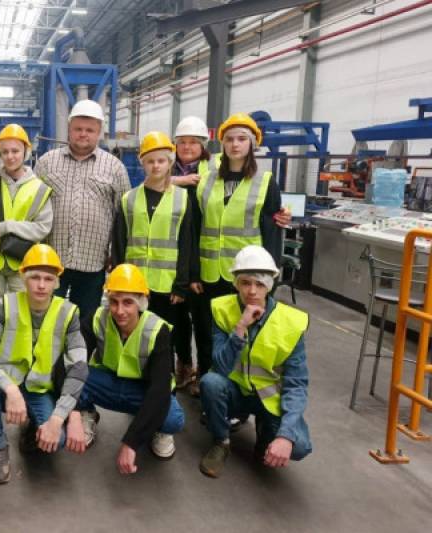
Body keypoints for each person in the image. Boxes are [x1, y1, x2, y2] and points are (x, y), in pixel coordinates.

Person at [0, 244, 87, 484]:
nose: (41, 285)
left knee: (56, 440)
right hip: (7, 384)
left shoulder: (68, 313)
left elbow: (78, 368)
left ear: (56, 282)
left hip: (39, 389)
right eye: (35, 277)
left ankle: (32, 429)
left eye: (48, 279)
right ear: (24, 278)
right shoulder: (7, 305)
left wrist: (60, 418)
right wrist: (11, 390)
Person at [192, 112, 288, 399]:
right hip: (209, 273)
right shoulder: (207, 180)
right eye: (230, 139)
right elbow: (195, 227)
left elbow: (272, 231)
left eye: (242, 139)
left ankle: (236, 393)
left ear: (252, 144)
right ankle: (208, 386)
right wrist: (193, 272)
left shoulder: (265, 181)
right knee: (207, 332)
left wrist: (269, 277)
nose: (235, 145)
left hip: (245, 277)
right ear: (222, 144)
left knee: (242, 334)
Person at [199, 245, 311, 478]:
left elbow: (297, 384)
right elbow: (220, 366)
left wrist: (285, 435)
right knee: (210, 382)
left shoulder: (290, 322)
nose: (252, 291)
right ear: (236, 284)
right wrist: (240, 327)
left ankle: (266, 429)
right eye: (245, 283)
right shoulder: (222, 309)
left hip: (268, 398)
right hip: (235, 392)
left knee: (298, 445)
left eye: (259, 284)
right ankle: (221, 441)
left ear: (269, 285)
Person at [79, 264, 185, 474]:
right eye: (114, 302)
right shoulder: (97, 318)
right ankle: (86, 412)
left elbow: (159, 390)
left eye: (127, 302)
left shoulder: (158, 330)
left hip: (142, 392)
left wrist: (131, 442)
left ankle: (157, 429)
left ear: (141, 302)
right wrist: (73, 412)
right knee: (73, 375)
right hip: (107, 383)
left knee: (173, 419)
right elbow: (73, 364)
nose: (119, 311)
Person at [111, 131, 195, 385]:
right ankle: (137, 381)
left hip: (167, 285)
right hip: (135, 285)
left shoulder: (181, 199)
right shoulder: (129, 199)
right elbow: (120, 242)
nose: (156, 166)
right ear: (142, 163)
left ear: (170, 162)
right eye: (150, 161)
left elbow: (186, 243)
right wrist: (118, 282)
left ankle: (164, 385)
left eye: (161, 160)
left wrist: (181, 284)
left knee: (165, 337)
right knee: (135, 334)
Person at [34, 99, 130, 321]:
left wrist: (115, 254)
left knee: (86, 321)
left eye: (90, 130)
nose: (83, 134)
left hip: (93, 262)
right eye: (78, 129)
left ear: (99, 132)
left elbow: (123, 215)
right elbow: (32, 207)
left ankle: (82, 346)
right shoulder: (47, 163)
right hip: (51, 260)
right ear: (69, 129)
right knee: (47, 319)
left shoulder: (114, 167)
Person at [0, 124, 53, 364]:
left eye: (15, 151)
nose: (10, 156)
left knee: (23, 317)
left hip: (23, 266)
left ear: (26, 151)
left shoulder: (40, 189)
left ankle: (19, 365)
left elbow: (43, 227)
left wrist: (7, 226)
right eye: (5, 152)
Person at [169, 116, 212, 392]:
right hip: (173, 256)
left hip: (203, 256)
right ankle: (184, 364)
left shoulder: (213, 169)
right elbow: (147, 182)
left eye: (193, 142)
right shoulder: (167, 167)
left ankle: (204, 375)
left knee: (203, 321)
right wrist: (180, 180)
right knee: (177, 319)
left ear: (203, 145)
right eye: (182, 142)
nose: (186, 147)